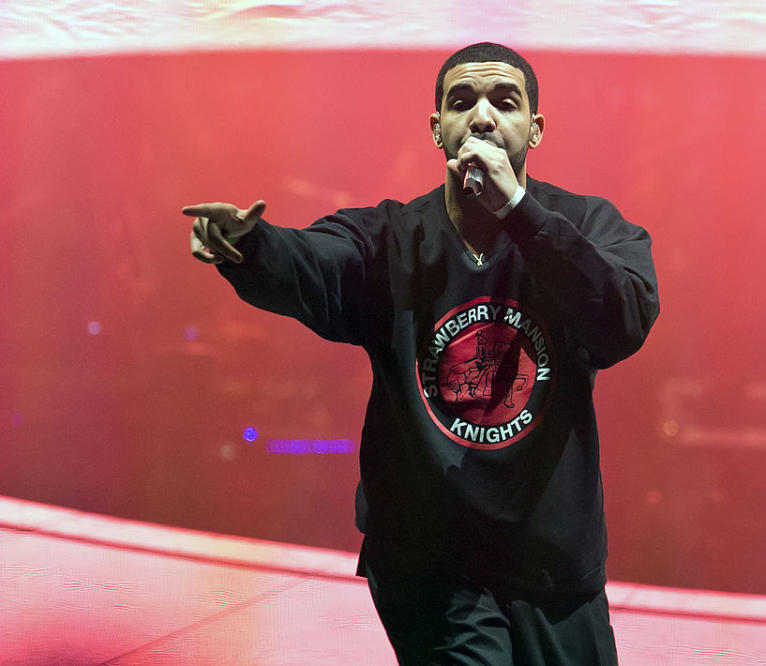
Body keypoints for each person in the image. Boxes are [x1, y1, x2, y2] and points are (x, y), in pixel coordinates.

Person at [182, 42, 659, 665]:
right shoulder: (390, 238)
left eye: (504, 102)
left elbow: (621, 319)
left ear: (535, 128)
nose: (482, 118)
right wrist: (250, 246)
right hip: (431, 562)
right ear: (437, 129)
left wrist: (518, 212)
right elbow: (316, 261)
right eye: (461, 103)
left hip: (551, 563)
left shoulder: (589, 227)